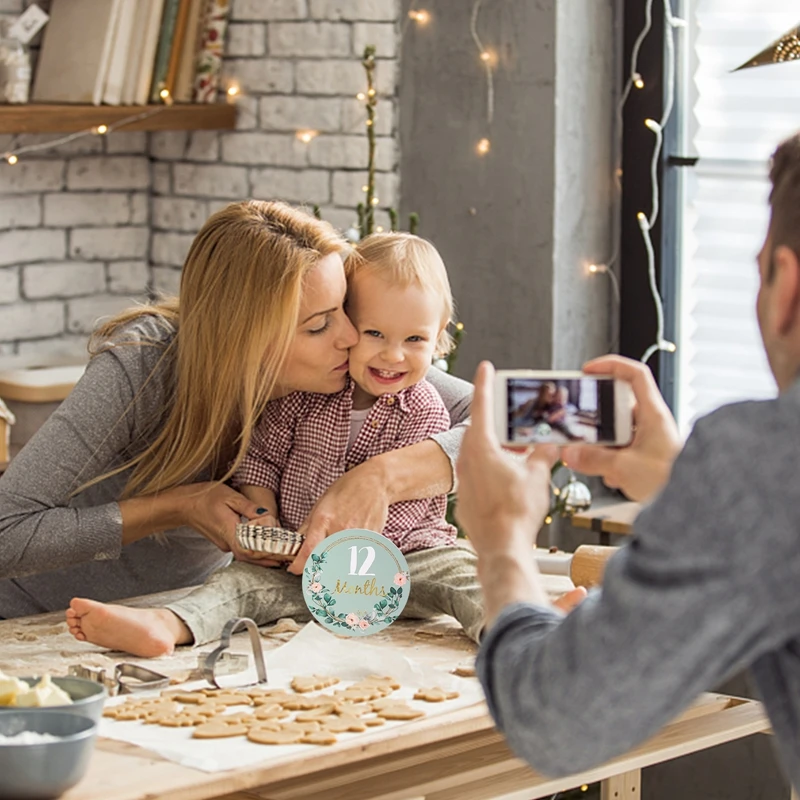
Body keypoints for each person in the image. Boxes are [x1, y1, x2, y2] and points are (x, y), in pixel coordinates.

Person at [455, 130, 800, 792]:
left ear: (784, 286)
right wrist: (684, 482)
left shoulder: (763, 460)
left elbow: (557, 717)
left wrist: (501, 540)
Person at [0, 201, 472, 620]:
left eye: (345, 312)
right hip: (32, 625)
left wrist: (380, 477)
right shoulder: (141, 369)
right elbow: (7, 532)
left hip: (179, 619)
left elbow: (523, 423)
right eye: (319, 325)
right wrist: (180, 506)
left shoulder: (356, 362)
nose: (351, 337)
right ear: (248, 338)